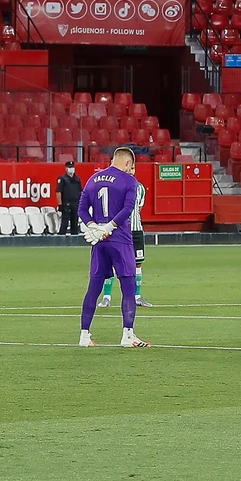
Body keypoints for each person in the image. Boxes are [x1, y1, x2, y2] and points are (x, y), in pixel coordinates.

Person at [78, 148, 147, 348]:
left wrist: (94, 227)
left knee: (94, 287)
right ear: (127, 163)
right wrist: (110, 227)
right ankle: (128, 335)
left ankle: (84, 335)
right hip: (121, 239)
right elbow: (128, 209)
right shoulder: (129, 181)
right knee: (128, 285)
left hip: (99, 241)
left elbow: (81, 209)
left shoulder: (93, 179)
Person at [100, 180, 147, 309]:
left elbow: (138, 208)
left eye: (133, 168)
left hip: (136, 231)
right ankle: (107, 297)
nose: (130, 171)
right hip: (120, 230)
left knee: (137, 263)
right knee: (113, 262)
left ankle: (137, 296)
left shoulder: (140, 188)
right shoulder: (116, 185)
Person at [55, 162, 80, 235]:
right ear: (66, 168)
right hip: (67, 203)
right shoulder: (63, 179)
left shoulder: (77, 179)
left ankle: (75, 240)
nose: (71, 169)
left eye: (72, 167)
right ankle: (61, 240)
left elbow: (80, 191)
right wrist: (60, 204)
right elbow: (58, 192)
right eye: (69, 167)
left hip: (75, 203)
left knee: (75, 222)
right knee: (64, 222)